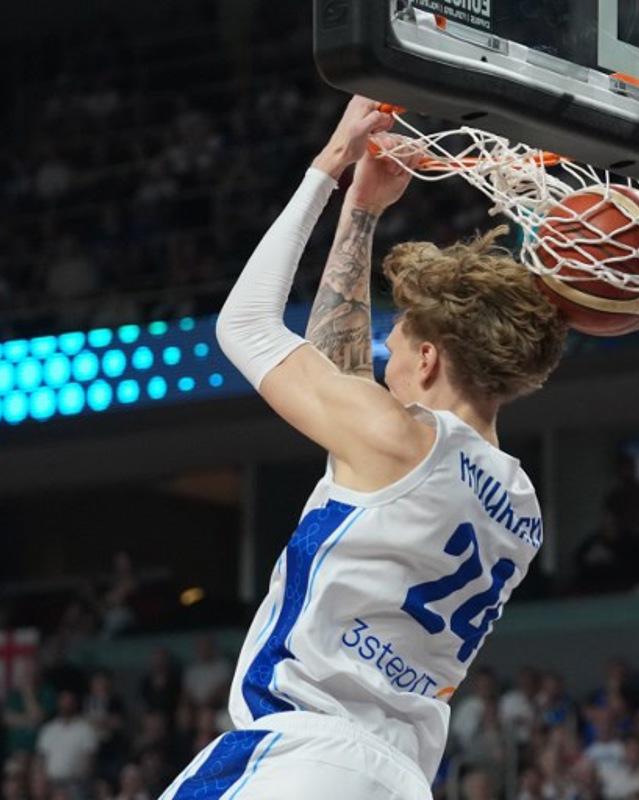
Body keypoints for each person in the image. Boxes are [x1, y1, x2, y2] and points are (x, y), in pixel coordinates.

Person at [161, 95, 569, 799]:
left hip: (301, 754)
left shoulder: (399, 439)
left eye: (398, 345)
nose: (384, 363)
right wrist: (362, 212)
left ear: (431, 361)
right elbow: (343, 378)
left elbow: (245, 325)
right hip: (398, 778)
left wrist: (330, 164)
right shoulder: (522, 509)